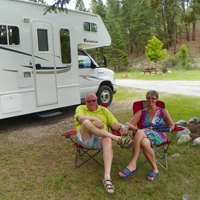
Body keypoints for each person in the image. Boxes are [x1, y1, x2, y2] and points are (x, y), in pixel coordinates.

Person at [75, 93, 134, 194]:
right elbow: (80, 118)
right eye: (89, 101)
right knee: (86, 122)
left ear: (97, 100)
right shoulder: (81, 109)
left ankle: (107, 178)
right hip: (85, 139)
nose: (92, 103)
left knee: (107, 139)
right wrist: (94, 119)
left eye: (93, 100)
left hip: (101, 138)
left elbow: (114, 124)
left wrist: (121, 126)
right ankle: (118, 139)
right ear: (85, 102)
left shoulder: (104, 110)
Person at [118, 90, 175, 182]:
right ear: (146, 99)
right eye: (148, 98)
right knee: (144, 142)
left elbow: (172, 127)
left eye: (153, 98)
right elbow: (130, 124)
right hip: (145, 136)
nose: (150, 100)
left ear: (156, 100)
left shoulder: (163, 111)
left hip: (159, 135)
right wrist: (138, 130)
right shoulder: (141, 112)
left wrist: (155, 130)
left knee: (140, 133)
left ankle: (133, 164)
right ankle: (155, 168)